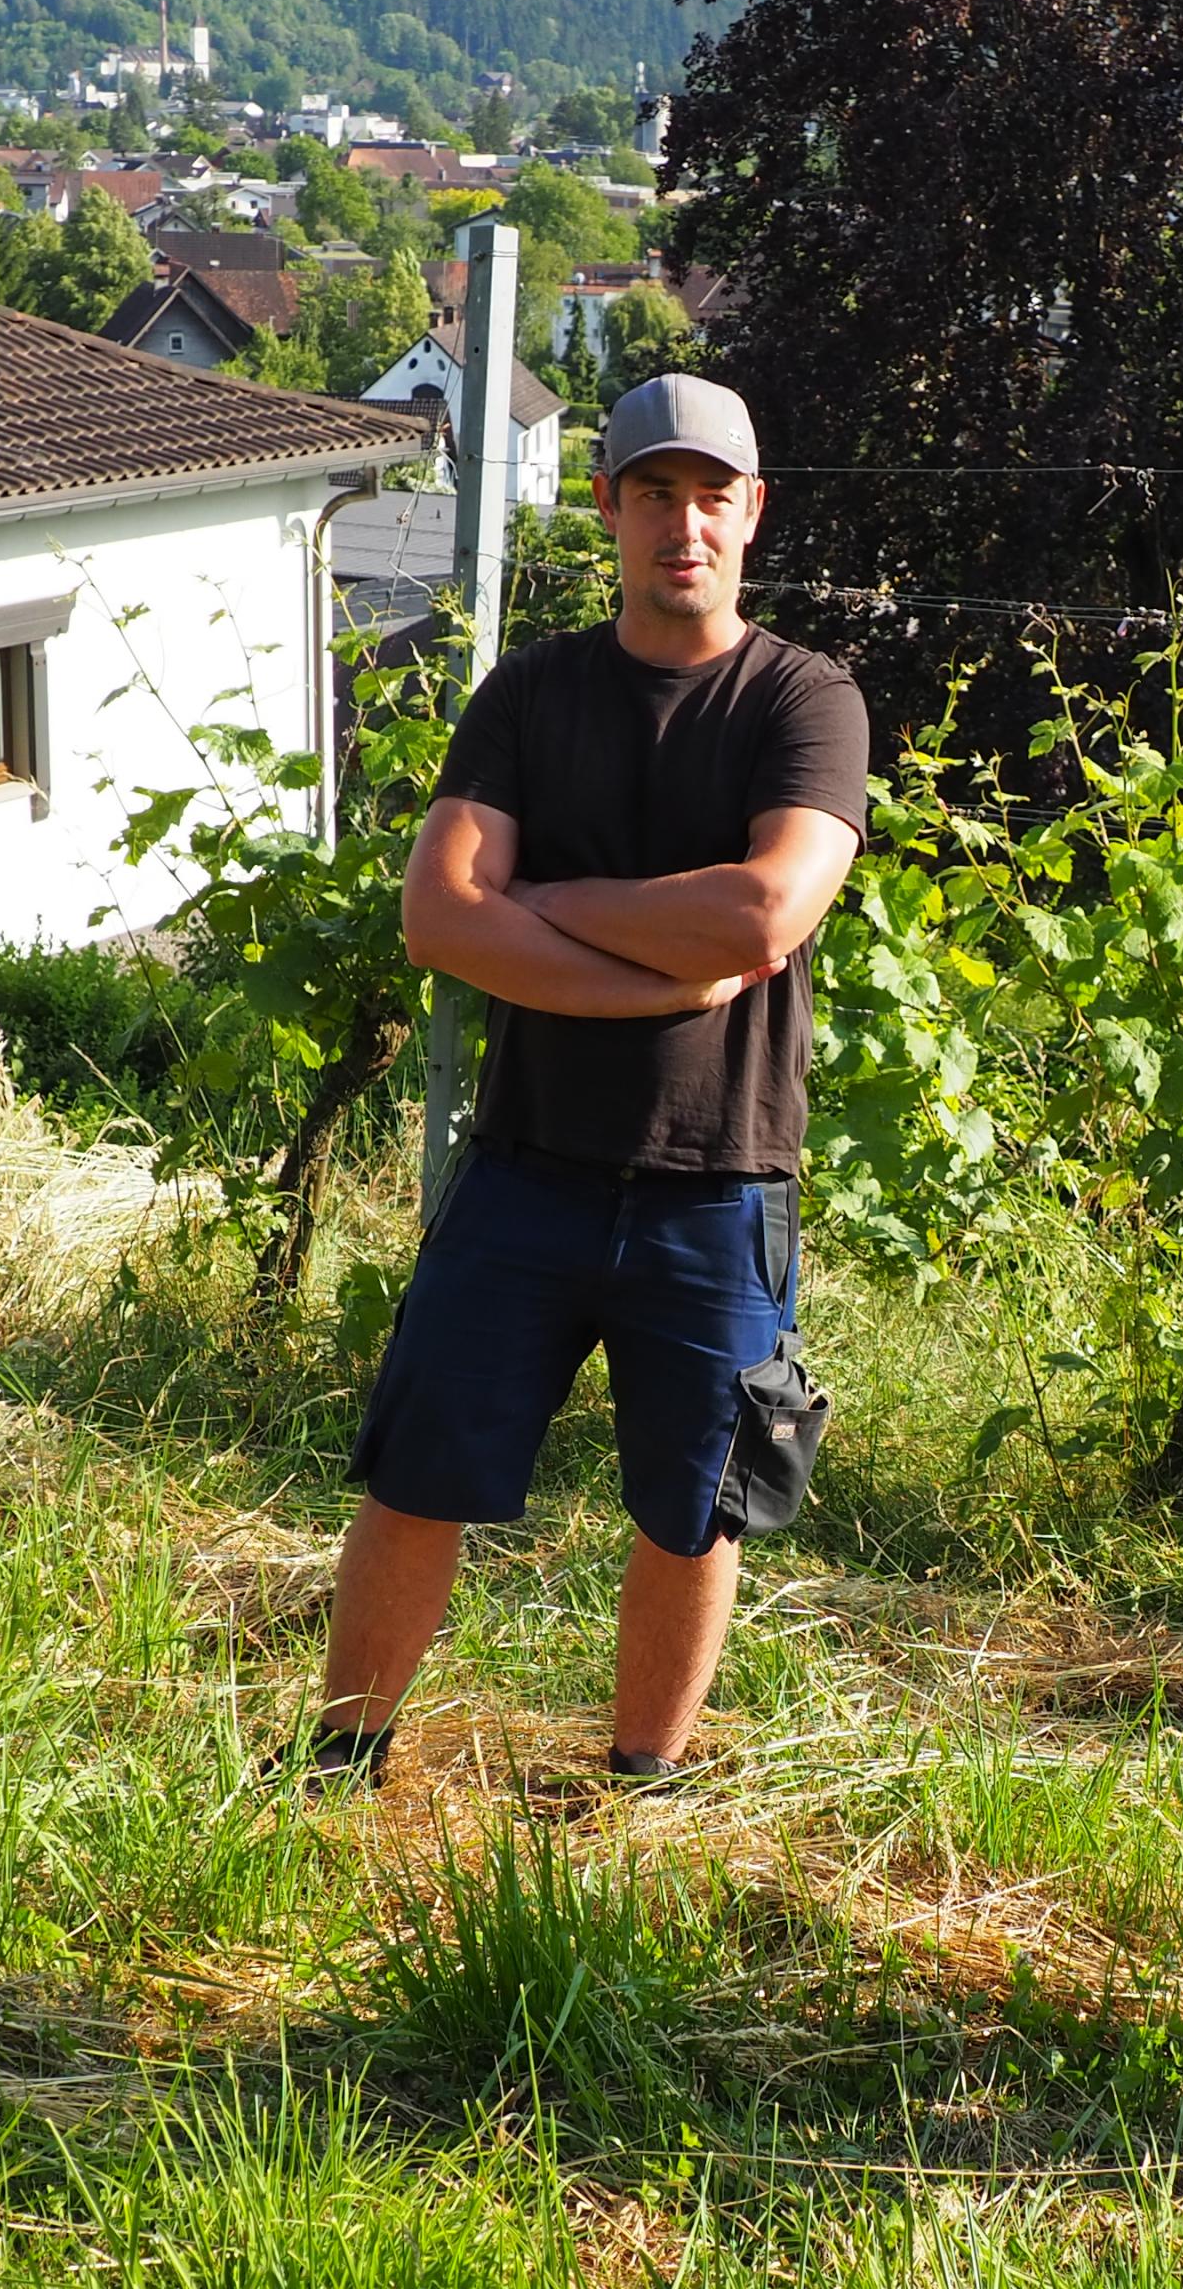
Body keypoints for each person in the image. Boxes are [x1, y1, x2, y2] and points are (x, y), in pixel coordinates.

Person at [290, 373, 869, 1790]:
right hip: (527, 1169)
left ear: (753, 512)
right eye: (655, 493)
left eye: (712, 495)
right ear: (606, 505)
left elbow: (763, 912)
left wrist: (543, 903)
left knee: (694, 1508)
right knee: (418, 1474)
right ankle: (338, 1767)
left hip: (720, 1185)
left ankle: (638, 1783)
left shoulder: (804, 700)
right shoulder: (531, 694)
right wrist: (660, 972)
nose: (686, 524)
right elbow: (441, 920)